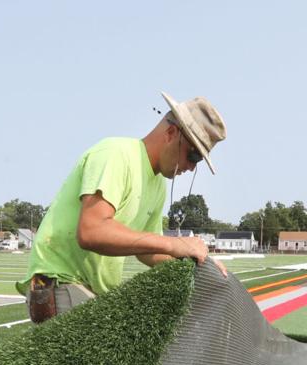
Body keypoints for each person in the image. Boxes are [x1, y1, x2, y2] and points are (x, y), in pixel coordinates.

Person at [18, 92, 228, 323]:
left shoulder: (157, 184)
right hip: (61, 282)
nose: (190, 167)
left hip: (94, 293)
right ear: (171, 133)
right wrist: (175, 244)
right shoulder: (116, 154)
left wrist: (199, 265)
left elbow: (148, 251)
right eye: (194, 155)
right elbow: (91, 231)